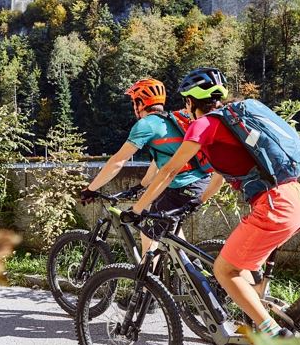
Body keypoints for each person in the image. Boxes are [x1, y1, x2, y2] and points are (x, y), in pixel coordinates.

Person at [126, 68, 300, 336]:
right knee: (244, 269)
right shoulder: (233, 120)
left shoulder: (204, 125)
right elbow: (218, 176)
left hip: (274, 206)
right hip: (296, 197)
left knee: (223, 270)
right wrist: (200, 198)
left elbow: (168, 171)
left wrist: (137, 209)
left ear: (190, 102)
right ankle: (260, 315)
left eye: (185, 102)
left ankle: (274, 335)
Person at [80, 78, 213, 255]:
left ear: (140, 103)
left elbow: (118, 161)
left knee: (148, 233)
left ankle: (147, 279)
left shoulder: (145, 124)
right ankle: (189, 274)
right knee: (168, 230)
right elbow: (161, 160)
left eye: (134, 101)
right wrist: (141, 186)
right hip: (200, 182)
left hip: (183, 186)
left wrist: (90, 189)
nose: (133, 106)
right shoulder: (168, 121)